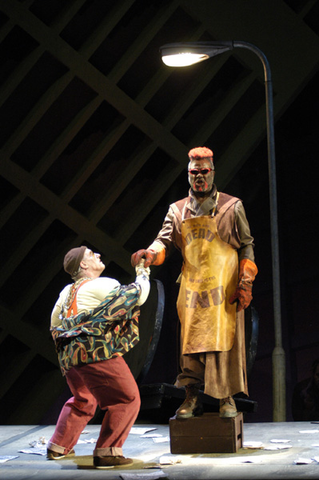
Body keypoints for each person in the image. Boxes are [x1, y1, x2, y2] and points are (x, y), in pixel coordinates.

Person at [131, 146, 258, 419]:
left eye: (204, 172)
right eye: (194, 173)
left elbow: (247, 246)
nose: (199, 177)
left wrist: (246, 282)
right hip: (192, 289)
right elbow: (163, 241)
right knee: (191, 344)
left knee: (223, 343)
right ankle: (190, 396)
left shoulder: (231, 207)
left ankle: (226, 398)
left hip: (224, 289)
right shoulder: (177, 211)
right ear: (187, 175)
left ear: (212, 173)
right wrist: (150, 254)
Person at [47, 245, 150, 468]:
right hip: (95, 352)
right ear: (83, 265)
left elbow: (55, 324)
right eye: (92, 255)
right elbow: (137, 295)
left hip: (70, 358)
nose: (99, 255)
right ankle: (107, 452)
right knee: (126, 398)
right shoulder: (104, 284)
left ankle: (58, 445)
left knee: (84, 399)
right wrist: (143, 271)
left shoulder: (66, 292)